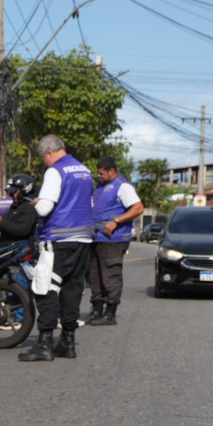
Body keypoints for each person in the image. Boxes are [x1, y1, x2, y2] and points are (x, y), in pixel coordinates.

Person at [19, 134, 95, 362]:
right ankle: (67, 342)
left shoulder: (55, 171)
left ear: (49, 152)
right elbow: (89, 203)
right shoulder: (84, 170)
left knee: (46, 287)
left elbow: (44, 209)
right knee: (72, 289)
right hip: (84, 239)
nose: (44, 162)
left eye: (43, 158)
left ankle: (44, 343)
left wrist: (35, 204)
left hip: (59, 238)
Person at [86, 157, 143, 326]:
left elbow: (138, 208)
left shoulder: (123, 187)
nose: (99, 176)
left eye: (101, 173)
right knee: (94, 275)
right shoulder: (100, 186)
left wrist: (116, 221)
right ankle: (97, 310)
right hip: (97, 237)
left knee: (110, 275)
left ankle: (110, 313)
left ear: (111, 171)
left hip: (113, 239)